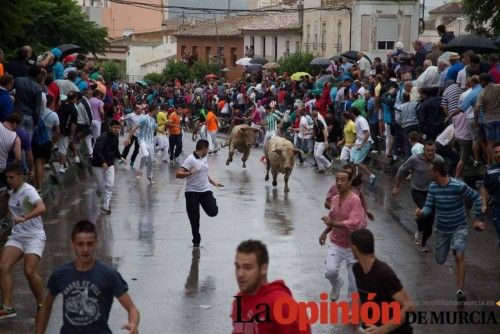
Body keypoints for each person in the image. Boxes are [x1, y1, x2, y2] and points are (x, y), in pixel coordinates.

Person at [36, 220, 140, 334]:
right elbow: (46, 307)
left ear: (96, 243)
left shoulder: (109, 274)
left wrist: (133, 324)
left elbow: (132, 308)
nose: (85, 249)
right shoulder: (60, 274)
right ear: (73, 244)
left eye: (89, 244)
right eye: (80, 244)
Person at [416, 159, 485, 302]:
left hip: (459, 227)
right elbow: (429, 207)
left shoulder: (458, 185)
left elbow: (477, 198)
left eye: (430, 170)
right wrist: (421, 213)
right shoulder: (433, 187)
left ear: (436, 171)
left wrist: (477, 219)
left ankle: (460, 290)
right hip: (442, 229)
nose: (429, 173)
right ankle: (443, 249)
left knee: (459, 254)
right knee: (440, 259)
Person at [231, 240, 311, 334]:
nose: (240, 274)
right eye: (237, 267)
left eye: (247, 268)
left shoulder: (282, 305)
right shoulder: (239, 301)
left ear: (263, 269)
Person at [0, 164, 47, 319]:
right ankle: (8, 307)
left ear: (21, 177)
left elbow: (41, 208)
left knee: (29, 271)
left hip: (34, 235)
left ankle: (42, 303)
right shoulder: (11, 191)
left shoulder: (28, 191)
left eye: (12, 177)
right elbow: (11, 209)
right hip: (18, 236)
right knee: (3, 266)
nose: (8, 180)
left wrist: (25, 218)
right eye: (7, 178)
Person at [350, 229, 415, 333]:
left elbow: (409, 306)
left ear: (354, 248)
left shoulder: (383, 273)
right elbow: (363, 294)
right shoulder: (357, 269)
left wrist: (383, 330)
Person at [320, 169, 367, 301]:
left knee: (354, 281)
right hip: (336, 243)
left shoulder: (355, 200)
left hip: (354, 247)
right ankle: (337, 284)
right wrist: (325, 232)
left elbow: (354, 222)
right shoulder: (334, 199)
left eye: (343, 180)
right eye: (337, 180)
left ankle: (352, 308)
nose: (339, 183)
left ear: (350, 181)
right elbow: (332, 217)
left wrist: (332, 222)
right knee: (330, 272)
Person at [392, 141, 442, 252]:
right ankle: (421, 240)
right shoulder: (415, 159)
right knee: (426, 211)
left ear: (435, 150)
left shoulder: (439, 160)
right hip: (418, 191)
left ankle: (422, 237)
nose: (430, 153)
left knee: (430, 220)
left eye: (432, 151)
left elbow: (444, 175)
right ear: (423, 150)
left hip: (432, 192)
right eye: (428, 150)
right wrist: (396, 186)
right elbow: (401, 170)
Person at [176, 139, 222, 248]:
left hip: (205, 191)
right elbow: (178, 174)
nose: (208, 151)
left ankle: (210, 200)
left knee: (213, 212)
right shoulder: (190, 159)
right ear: (203, 149)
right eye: (208, 149)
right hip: (192, 192)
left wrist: (213, 182)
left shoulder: (204, 157)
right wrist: (188, 173)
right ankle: (196, 240)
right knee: (194, 219)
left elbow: (204, 172)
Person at [92, 120, 124, 215]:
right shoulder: (103, 137)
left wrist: (120, 156)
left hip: (110, 165)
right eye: (115, 128)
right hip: (98, 165)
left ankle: (105, 206)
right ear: (110, 127)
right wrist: (103, 162)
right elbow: (97, 151)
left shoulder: (116, 137)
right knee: (102, 187)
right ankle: (99, 189)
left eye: (118, 128)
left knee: (110, 185)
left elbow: (115, 149)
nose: (117, 130)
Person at [32, 94, 60, 192]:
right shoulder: (53, 115)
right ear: (51, 102)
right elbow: (57, 131)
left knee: (37, 163)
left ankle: (38, 186)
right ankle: (40, 185)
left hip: (36, 140)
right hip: (47, 141)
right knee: (42, 163)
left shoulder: (36, 112)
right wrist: (54, 142)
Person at [125, 105, 157, 184]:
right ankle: (140, 171)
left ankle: (150, 176)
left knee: (151, 160)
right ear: (153, 110)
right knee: (145, 154)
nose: (157, 112)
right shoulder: (144, 118)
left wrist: (164, 127)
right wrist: (128, 138)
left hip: (150, 142)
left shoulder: (153, 120)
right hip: (142, 140)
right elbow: (134, 128)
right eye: (157, 110)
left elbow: (155, 128)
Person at [350, 107, 377, 186]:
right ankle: (354, 179)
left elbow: (367, 133)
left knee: (357, 162)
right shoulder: (356, 120)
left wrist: (362, 144)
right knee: (352, 161)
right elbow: (359, 133)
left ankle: (372, 176)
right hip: (358, 142)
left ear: (352, 113)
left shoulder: (361, 120)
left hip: (365, 143)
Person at [481, 142, 500, 247]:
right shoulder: (490, 171)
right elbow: (485, 188)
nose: (499, 154)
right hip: (497, 206)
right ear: (492, 154)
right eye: (496, 152)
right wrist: (484, 203)